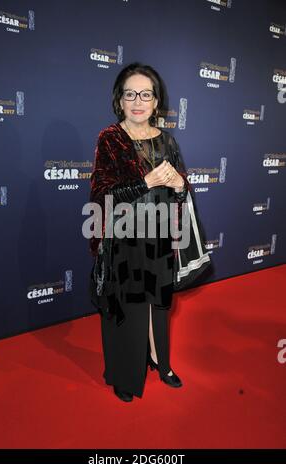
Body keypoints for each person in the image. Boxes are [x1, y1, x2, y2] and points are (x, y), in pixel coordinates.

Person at [89, 62, 190, 402]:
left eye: (146, 94)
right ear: (119, 100)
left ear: (156, 101)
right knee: (128, 307)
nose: (138, 100)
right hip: (123, 240)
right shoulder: (110, 139)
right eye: (130, 93)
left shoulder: (167, 141)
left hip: (159, 236)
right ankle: (124, 373)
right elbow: (102, 193)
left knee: (158, 304)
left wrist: (179, 185)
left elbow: (181, 191)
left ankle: (160, 361)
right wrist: (144, 182)